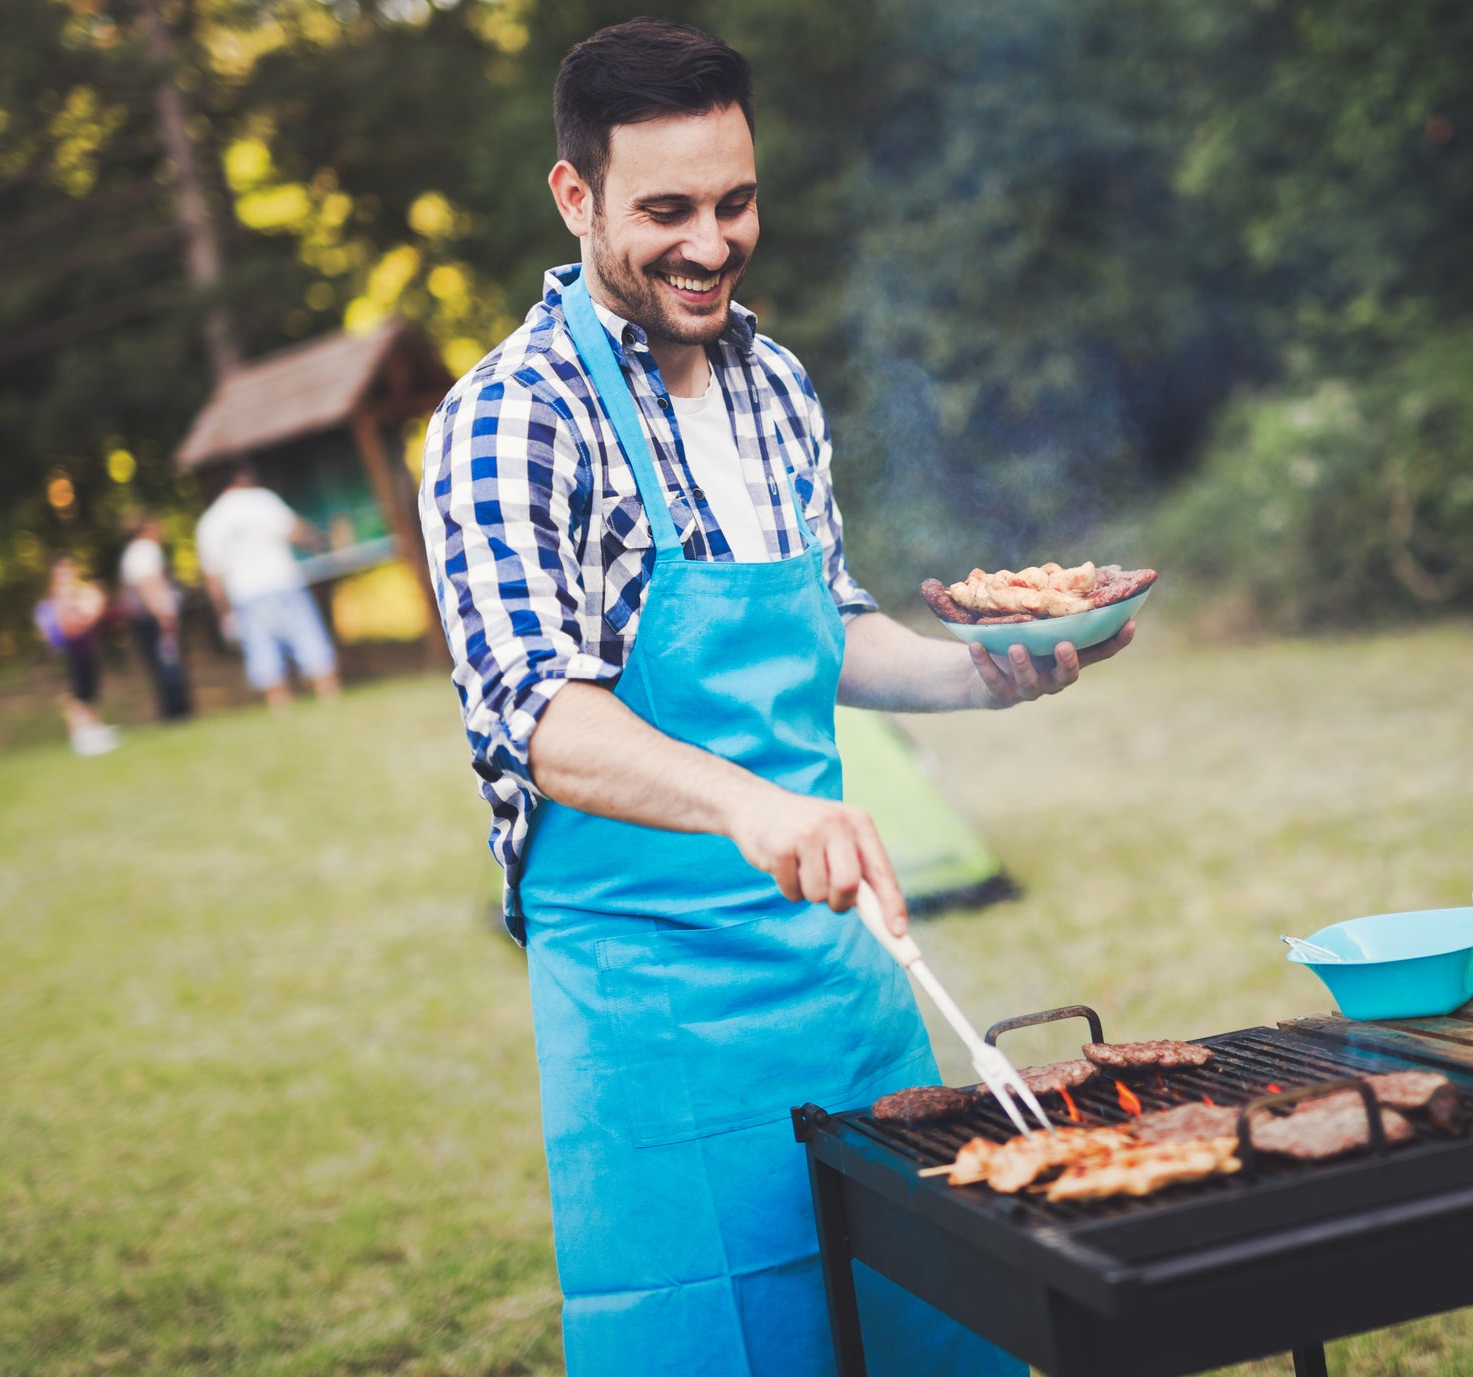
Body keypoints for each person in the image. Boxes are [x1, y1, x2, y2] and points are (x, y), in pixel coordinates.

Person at [418, 21, 1134, 1376]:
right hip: (655, 1011)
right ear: (576, 198)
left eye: (733, 202)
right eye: (666, 211)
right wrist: (753, 807)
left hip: (846, 975)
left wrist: (992, 677)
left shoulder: (778, 385)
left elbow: (831, 628)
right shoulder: (509, 418)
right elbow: (534, 710)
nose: (709, 243)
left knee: (938, 1324)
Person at [193, 463, 339, 710]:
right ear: (240, 477)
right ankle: (330, 698)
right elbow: (295, 531)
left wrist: (223, 611)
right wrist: (324, 541)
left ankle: (280, 708)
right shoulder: (261, 500)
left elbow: (213, 575)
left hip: (245, 593)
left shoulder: (210, 521)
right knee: (309, 641)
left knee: (264, 655)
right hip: (282, 581)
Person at [33, 555, 119, 756]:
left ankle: (94, 732)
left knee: (91, 692)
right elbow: (69, 626)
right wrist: (85, 618)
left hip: (88, 647)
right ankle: (81, 738)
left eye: (70, 568)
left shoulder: (76, 592)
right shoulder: (59, 597)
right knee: (79, 696)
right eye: (63, 570)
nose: (68, 573)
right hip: (74, 651)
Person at [118, 510, 194, 721]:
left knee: (162, 665)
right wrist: (164, 616)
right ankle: (177, 713)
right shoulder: (145, 550)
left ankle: (175, 712)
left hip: (147, 618)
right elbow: (149, 585)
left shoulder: (133, 552)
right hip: (154, 618)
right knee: (167, 666)